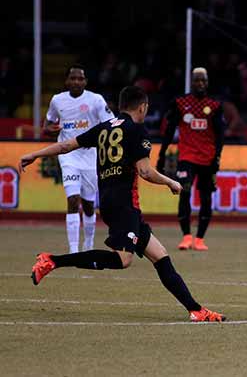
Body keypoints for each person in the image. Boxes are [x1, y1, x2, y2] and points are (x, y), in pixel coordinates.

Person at [21, 86, 225, 322]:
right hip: (124, 204)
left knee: (160, 256)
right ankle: (53, 260)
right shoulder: (136, 130)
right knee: (122, 259)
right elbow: (145, 171)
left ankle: (196, 310)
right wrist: (172, 183)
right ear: (143, 107)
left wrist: (35, 154)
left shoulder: (104, 128)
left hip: (112, 201)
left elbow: (66, 146)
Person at [44, 65, 115, 253]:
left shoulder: (96, 100)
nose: (76, 82)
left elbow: (111, 123)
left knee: (89, 205)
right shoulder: (57, 100)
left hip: (91, 156)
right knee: (73, 200)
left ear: (85, 81)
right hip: (68, 156)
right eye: (72, 78)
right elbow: (48, 124)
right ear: (67, 81)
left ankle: (89, 243)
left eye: (80, 79)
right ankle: (74, 251)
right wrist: (49, 130)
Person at [157, 68, 225, 251]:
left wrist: (217, 157)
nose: (200, 84)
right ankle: (186, 236)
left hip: (208, 159)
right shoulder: (180, 103)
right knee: (184, 191)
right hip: (187, 156)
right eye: (197, 80)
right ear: (191, 82)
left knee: (206, 197)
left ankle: (200, 239)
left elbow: (220, 135)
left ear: (207, 82)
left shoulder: (215, 105)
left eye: (203, 80)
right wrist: (161, 154)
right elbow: (170, 130)